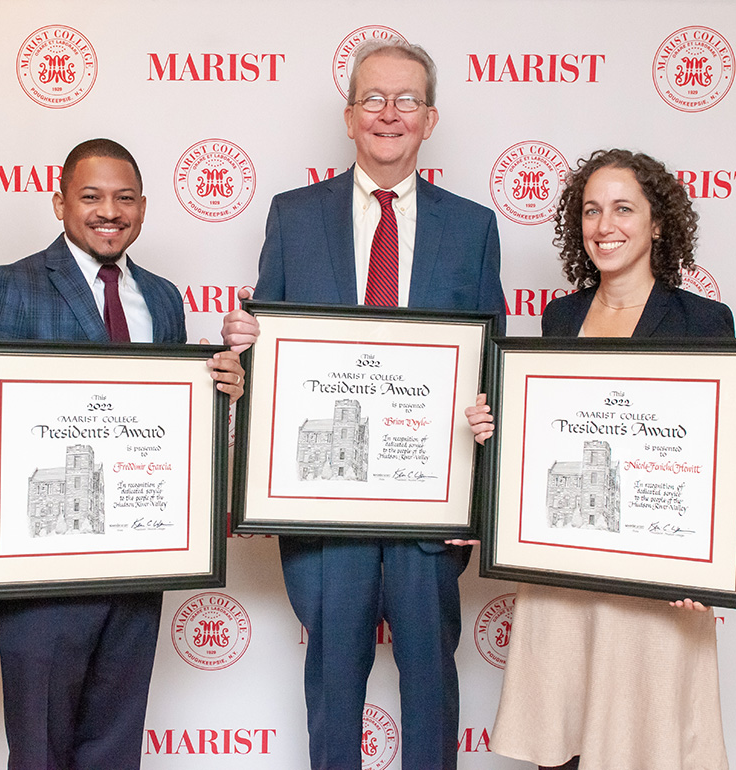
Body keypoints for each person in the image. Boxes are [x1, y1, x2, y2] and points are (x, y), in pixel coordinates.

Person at [0, 137, 245, 769]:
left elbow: (171, 425)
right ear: (60, 201)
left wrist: (220, 388)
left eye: (124, 198)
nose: (108, 211)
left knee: (115, 744)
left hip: (141, 563)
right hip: (40, 570)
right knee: (39, 747)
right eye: (90, 196)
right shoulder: (10, 287)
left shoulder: (164, 299)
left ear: (143, 208)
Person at [221, 39, 506, 769]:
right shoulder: (293, 215)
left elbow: (491, 363)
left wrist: (479, 486)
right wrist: (247, 347)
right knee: (333, 692)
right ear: (349, 116)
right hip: (324, 516)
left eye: (406, 100)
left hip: (430, 514)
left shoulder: (471, 227)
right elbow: (274, 360)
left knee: (432, 692)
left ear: (430, 118)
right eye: (373, 99)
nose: (389, 114)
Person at [465, 148, 733, 770]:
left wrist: (708, 567)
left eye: (622, 209)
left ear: (658, 222)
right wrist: (494, 431)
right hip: (564, 566)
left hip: (658, 579)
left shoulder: (703, 322)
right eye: (590, 211)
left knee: (645, 737)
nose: (604, 226)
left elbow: (720, 456)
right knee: (559, 730)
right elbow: (547, 435)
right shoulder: (560, 317)